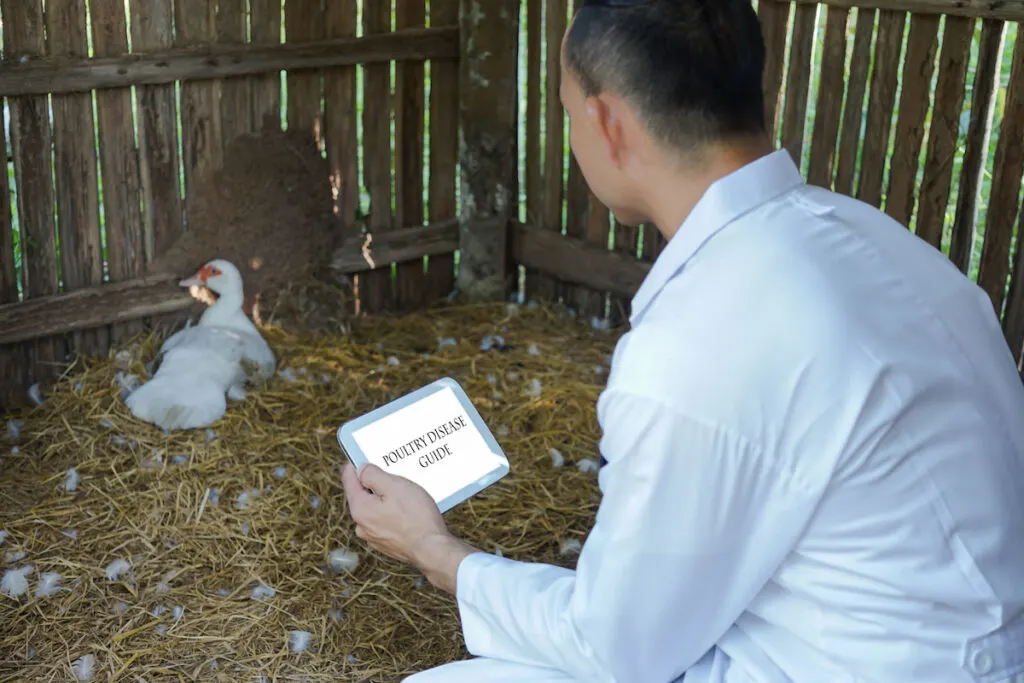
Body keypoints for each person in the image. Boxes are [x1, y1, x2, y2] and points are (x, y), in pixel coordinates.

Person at [340, 0, 1024, 680]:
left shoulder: (700, 338)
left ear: (607, 124)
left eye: (569, 114)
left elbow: (616, 647)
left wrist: (436, 551)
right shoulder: (881, 243)